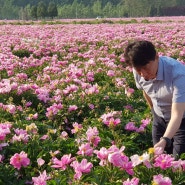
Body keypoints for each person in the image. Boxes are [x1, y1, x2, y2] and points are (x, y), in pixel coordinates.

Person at [124, 40, 185, 158]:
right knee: (157, 158)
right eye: (138, 69)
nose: (142, 74)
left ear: (157, 56)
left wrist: (166, 139)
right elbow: (145, 91)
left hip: (181, 120)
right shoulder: (138, 69)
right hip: (159, 118)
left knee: (178, 162)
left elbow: (177, 114)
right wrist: (153, 111)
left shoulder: (178, 74)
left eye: (145, 68)